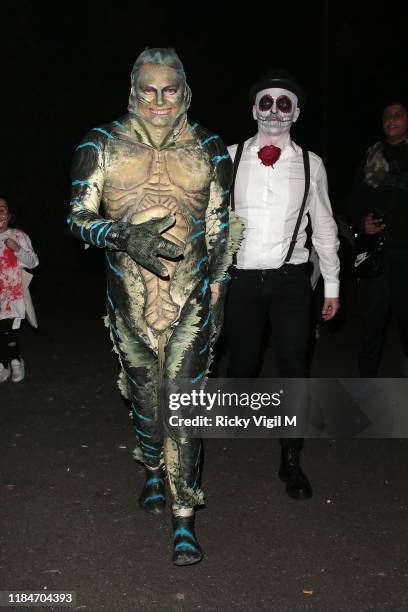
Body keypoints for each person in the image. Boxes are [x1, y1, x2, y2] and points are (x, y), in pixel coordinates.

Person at [67, 48, 242, 566]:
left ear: (185, 91)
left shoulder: (210, 146)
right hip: (129, 300)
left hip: (190, 299)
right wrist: (117, 232)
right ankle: (150, 467)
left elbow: (220, 227)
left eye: (170, 90)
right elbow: (77, 216)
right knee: (146, 399)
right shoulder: (100, 143)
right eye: (149, 89)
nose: (160, 100)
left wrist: (218, 294)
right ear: (133, 90)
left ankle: (184, 520)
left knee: (183, 411)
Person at [225, 70, 340, 499]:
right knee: (244, 363)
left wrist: (331, 285)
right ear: (254, 109)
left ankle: (291, 459)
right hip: (241, 281)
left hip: (292, 281)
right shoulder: (230, 157)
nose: (274, 110)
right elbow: (209, 220)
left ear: (296, 113)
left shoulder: (312, 164)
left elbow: (325, 227)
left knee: (295, 369)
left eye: (284, 103)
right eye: (267, 102)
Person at [351, 99, 408, 377]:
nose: (392, 119)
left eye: (398, 114)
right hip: (377, 254)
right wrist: (361, 221)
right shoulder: (371, 154)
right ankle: (365, 388)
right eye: (387, 115)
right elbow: (354, 200)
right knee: (371, 326)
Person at [0, 198, 39, 383]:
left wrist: (17, 249)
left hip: (12, 293)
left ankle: (15, 361)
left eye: (2, 209)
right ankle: (3, 365)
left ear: (8, 214)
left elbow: (33, 262)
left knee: (6, 328)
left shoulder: (18, 235)